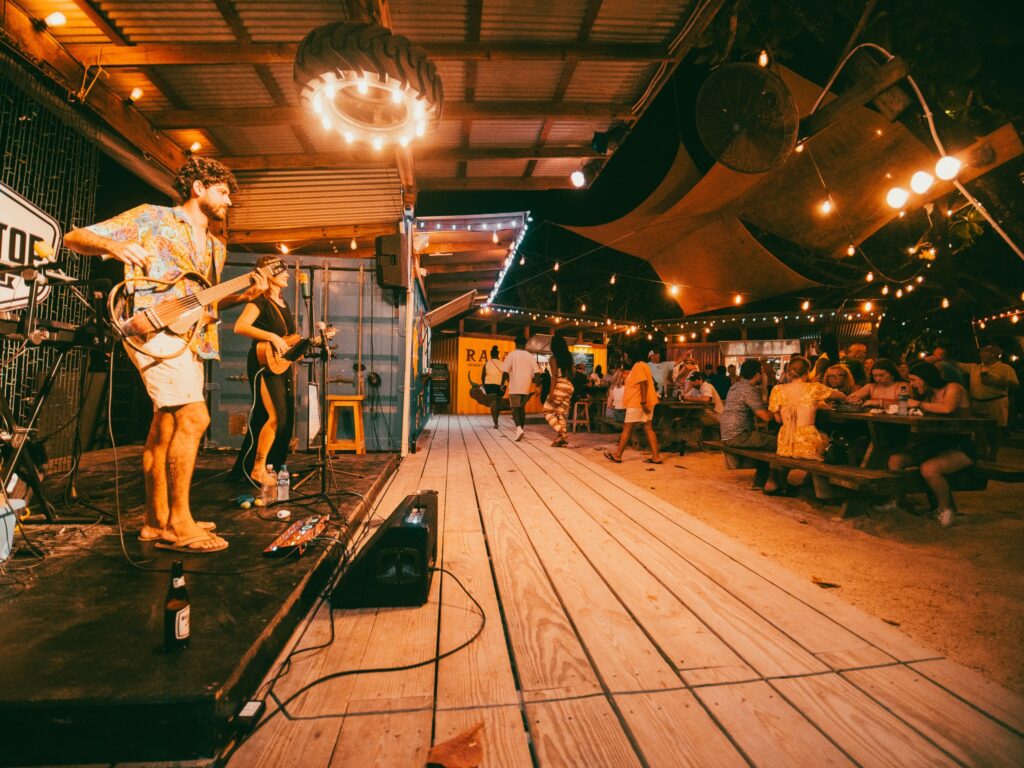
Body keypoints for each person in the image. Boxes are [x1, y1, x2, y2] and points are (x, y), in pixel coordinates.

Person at [64, 157, 264, 553]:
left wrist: (242, 296)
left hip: (189, 339)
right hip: (151, 328)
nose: (229, 201)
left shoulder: (215, 247)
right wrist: (114, 245)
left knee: (167, 424)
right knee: (195, 416)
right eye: (223, 192)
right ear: (198, 188)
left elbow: (201, 304)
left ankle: (156, 521)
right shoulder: (152, 218)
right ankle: (179, 523)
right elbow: (74, 238)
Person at [231, 255, 295, 485]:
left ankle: (268, 466)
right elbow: (240, 326)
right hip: (263, 365)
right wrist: (270, 335)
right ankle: (258, 469)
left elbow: (287, 338)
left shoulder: (283, 303)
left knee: (282, 418)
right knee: (273, 416)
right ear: (269, 273)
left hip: (280, 365)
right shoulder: (259, 300)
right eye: (282, 270)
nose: (287, 274)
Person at [888, 362, 976, 527]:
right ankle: (898, 501)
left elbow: (948, 408)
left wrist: (917, 404)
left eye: (914, 380)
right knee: (895, 460)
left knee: (929, 468)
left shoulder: (953, 387)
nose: (912, 384)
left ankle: (945, 509)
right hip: (936, 442)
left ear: (925, 378)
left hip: (960, 444)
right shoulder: (929, 395)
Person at [721, 359, 787, 493]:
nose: (763, 376)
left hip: (728, 434)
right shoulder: (749, 390)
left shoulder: (735, 386)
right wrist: (779, 409)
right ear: (757, 375)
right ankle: (773, 482)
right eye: (762, 373)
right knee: (781, 444)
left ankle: (761, 480)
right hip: (738, 436)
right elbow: (766, 417)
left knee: (765, 441)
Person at [768, 355, 845, 462]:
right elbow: (841, 395)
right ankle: (814, 478)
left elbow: (778, 420)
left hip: (784, 444)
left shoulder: (777, 389)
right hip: (807, 443)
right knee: (830, 443)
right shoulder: (814, 387)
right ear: (808, 371)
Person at [606, 345, 662, 464]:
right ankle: (656, 456)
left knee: (627, 429)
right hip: (645, 402)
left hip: (638, 403)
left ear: (630, 355)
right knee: (648, 428)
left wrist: (643, 402)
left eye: (625, 355)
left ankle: (618, 455)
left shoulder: (638, 366)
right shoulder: (643, 365)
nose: (625, 358)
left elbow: (643, 384)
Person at [962, 344, 1018, 457]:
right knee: (978, 429)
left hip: (995, 402)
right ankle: (980, 452)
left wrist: (996, 382)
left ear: (995, 355)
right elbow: (957, 366)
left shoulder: (1005, 368)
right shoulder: (975, 367)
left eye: (986, 351)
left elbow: (1015, 385)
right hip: (977, 402)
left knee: (995, 429)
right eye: (982, 351)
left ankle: (993, 453)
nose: (982, 353)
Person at [501, 335, 539, 442]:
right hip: (526, 387)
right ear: (525, 345)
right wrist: (537, 386)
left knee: (515, 408)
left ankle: (518, 429)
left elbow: (505, 371)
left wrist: (502, 383)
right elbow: (537, 373)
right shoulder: (530, 356)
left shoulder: (512, 355)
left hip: (515, 386)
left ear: (516, 344)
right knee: (521, 408)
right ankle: (522, 429)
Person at [544, 335, 576, 447]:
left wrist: (552, 391)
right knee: (560, 413)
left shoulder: (553, 358)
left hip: (559, 384)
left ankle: (562, 434)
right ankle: (562, 439)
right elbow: (573, 372)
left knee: (547, 411)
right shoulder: (569, 357)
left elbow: (554, 375)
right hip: (569, 386)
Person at [481, 344, 504, 429]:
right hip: (501, 386)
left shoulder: (487, 363)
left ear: (491, 355)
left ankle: (495, 422)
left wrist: (483, 385)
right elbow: (506, 375)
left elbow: (483, 376)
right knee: (497, 403)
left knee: (493, 404)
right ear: (498, 355)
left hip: (489, 386)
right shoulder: (502, 363)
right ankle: (496, 420)